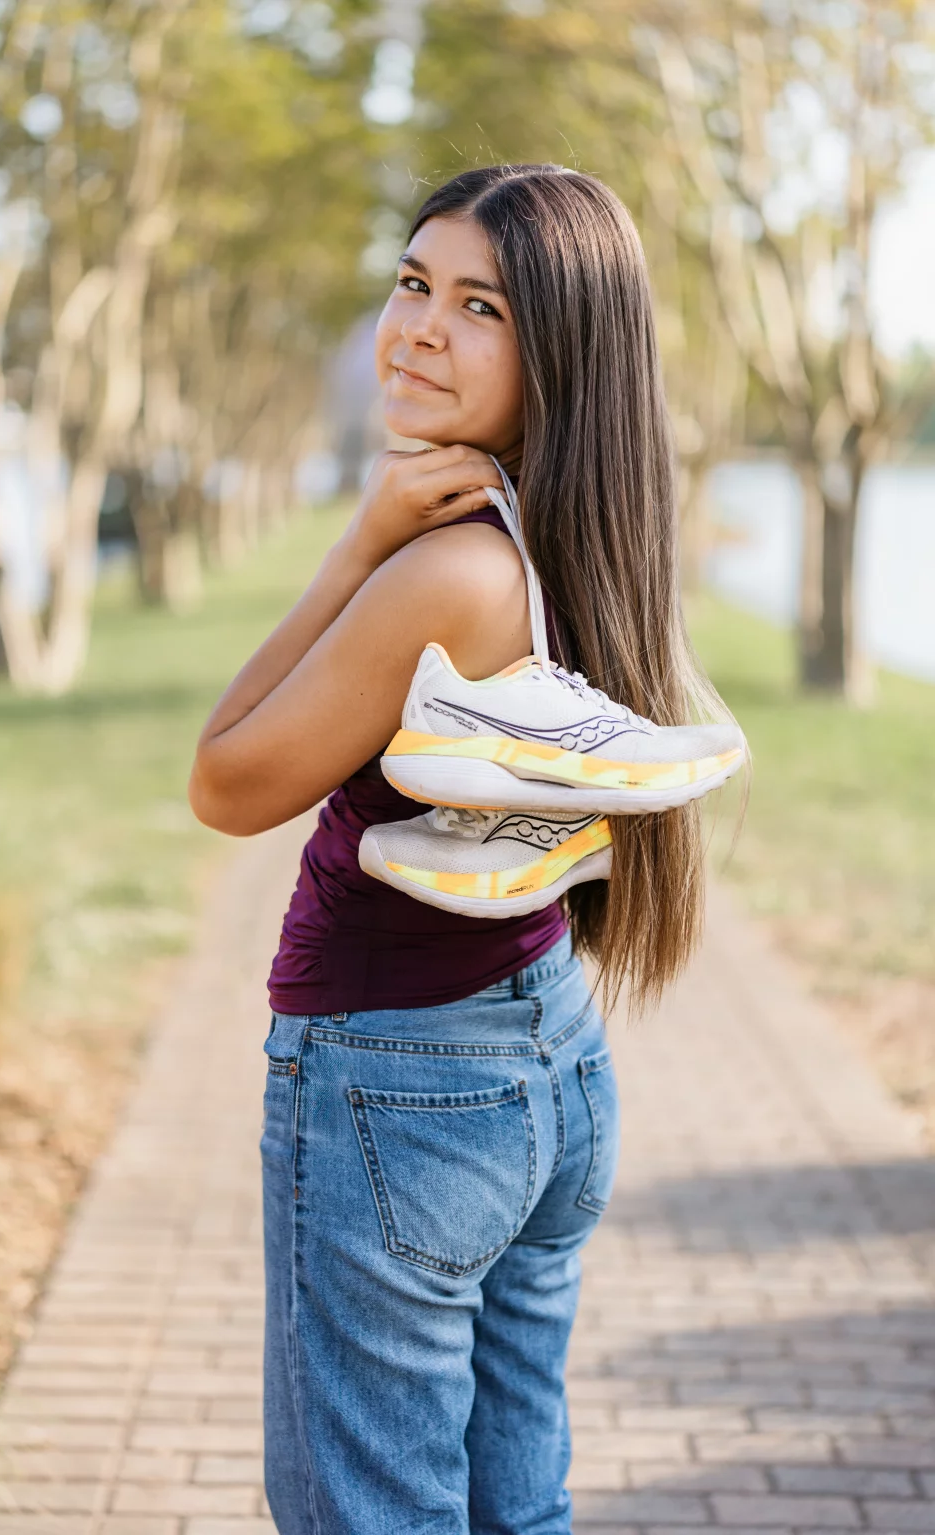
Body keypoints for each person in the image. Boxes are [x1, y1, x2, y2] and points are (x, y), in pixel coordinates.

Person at [189, 164, 735, 1535]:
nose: (419, 327)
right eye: (413, 282)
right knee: (512, 1507)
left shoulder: (451, 567)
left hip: (400, 1084)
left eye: (478, 304)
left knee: (368, 1510)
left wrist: (361, 540)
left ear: (560, 351)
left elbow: (225, 777)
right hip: (546, 1056)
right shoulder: (570, 535)